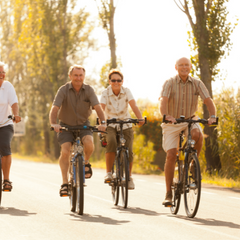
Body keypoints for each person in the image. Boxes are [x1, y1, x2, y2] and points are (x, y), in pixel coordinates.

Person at [159, 57, 217, 206]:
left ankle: (191, 162)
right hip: (172, 122)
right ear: (176, 67)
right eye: (181, 65)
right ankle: (168, 193)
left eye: (186, 65)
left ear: (190, 67)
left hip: (190, 119)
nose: (184, 67)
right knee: (171, 154)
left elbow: (208, 100)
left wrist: (212, 116)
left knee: (197, 135)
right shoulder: (169, 82)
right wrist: (166, 116)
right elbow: (163, 100)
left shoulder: (197, 83)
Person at [49, 64, 106, 197]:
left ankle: (85, 162)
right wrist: (53, 123)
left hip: (83, 125)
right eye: (75, 75)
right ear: (70, 76)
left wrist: (103, 123)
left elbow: (98, 108)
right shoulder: (63, 90)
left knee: (89, 143)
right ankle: (64, 183)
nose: (78, 78)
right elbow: (55, 108)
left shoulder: (89, 90)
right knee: (65, 151)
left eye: (80, 75)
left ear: (84, 76)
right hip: (66, 126)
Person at [100, 69, 144, 190]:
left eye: (119, 80)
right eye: (113, 80)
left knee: (129, 150)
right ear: (109, 81)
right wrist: (101, 122)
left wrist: (140, 118)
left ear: (122, 81)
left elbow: (133, 105)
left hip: (126, 123)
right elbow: (101, 108)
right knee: (112, 142)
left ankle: (129, 178)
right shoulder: (105, 93)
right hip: (110, 124)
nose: (116, 82)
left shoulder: (126, 91)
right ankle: (109, 173)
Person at [0, 61, 21, 191]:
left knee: (5, 147)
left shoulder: (8, 86)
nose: (1, 74)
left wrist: (16, 114)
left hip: (5, 124)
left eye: (3, 72)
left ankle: (6, 180)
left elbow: (14, 103)